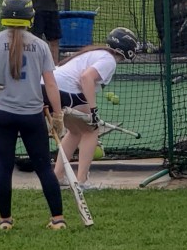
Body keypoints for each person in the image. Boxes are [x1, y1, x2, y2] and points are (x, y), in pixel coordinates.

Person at [0, 0, 66, 232]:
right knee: (43, 167)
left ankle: (5, 220)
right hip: (32, 115)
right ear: (30, 17)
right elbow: (51, 84)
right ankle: (58, 219)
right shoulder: (40, 45)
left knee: (4, 166)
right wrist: (58, 115)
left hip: (2, 114)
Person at [50, 26, 139, 190]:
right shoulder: (109, 60)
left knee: (75, 131)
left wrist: (91, 110)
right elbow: (86, 78)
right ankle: (82, 182)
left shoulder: (99, 53)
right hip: (65, 89)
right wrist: (93, 110)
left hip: (51, 87)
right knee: (91, 130)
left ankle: (57, 176)